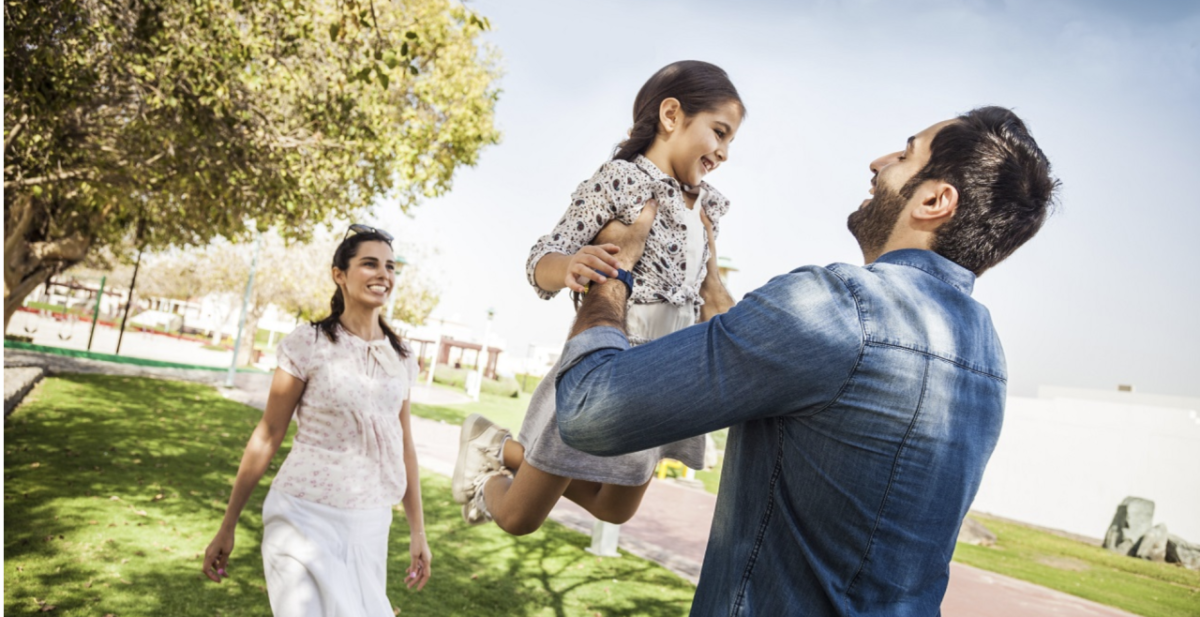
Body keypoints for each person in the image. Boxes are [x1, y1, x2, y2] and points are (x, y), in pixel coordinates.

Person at [554, 107, 1059, 615]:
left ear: (933, 200)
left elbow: (587, 409)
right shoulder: (984, 355)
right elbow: (771, 357)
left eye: (905, 155)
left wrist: (612, 272)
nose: (878, 163)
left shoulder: (837, 307)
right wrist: (709, 274)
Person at [450, 60, 745, 533]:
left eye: (731, 140)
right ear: (672, 116)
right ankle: (489, 460)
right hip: (609, 364)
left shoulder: (706, 208)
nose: (725, 151)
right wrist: (567, 266)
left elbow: (703, 293)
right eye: (719, 132)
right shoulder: (621, 180)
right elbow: (541, 256)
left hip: (670, 370)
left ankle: (505, 448)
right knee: (518, 517)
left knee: (616, 508)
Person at [201, 225, 431, 615]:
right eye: (370, 264)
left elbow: (403, 445)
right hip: (300, 515)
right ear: (339, 274)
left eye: (390, 266)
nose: (383, 274)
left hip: (369, 524)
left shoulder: (402, 357)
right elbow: (268, 434)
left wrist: (418, 531)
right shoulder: (306, 343)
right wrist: (228, 524)